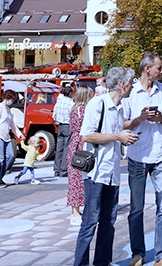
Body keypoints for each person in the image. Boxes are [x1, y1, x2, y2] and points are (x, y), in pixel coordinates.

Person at [73, 67, 139, 266]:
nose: (132, 87)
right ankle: (81, 263)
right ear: (122, 84)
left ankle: (102, 261)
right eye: (131, 83)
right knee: (90, 221)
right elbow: (87, 135)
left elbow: (119, 130)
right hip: (96, 171)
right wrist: (118, 137)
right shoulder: (98, 103)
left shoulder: (120, 107)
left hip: (112, 172)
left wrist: (132, 128)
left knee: (108, 222)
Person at [123, 52, 162, 266]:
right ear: (147, 69)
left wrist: (160, 118)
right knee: (136, 207)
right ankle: (138, 253)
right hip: (137, 155)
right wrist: (141, 118)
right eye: (159, 68)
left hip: (160, 153)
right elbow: (124, 124)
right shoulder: (131, 92)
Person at [67, 86, 94, 225]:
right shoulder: (83, 110)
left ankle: (76, 210)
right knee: (78, 178)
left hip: (75, 144)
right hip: (81, 145)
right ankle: (75, 213)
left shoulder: (74, 109)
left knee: (75, 178)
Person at [0, 89, 24, 188]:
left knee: (10, 155)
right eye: (12, 99)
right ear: (7, 98)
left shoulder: (8, 110)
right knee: (0, 159)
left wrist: (19, 134)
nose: (12, 101)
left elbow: (12, 124)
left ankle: (0, 177)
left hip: (6, 136)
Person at [53, 84, 74, 178]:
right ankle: (63, 170)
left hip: (60, 126)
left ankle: (56, 169)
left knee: (59, 148)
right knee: (66, 148)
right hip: (67, 125)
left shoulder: (59, 102)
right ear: (70, 93)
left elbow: (54, 115)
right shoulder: (71, 103)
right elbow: (73, 116)